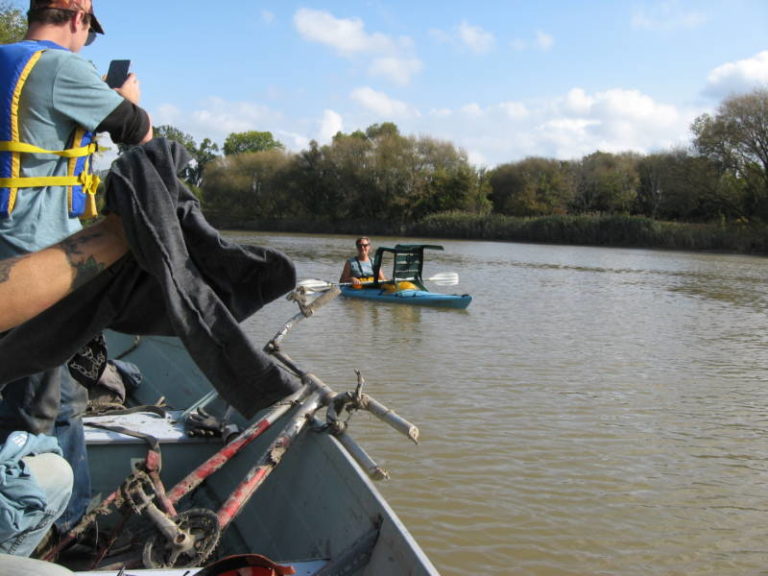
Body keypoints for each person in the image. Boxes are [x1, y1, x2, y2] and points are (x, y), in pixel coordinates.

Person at [0, 0, 152, 554]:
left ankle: (71, 521)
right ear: (79, 20)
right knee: (43, 407)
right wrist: (125, 97)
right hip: (37, 262)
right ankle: (43, 533)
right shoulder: (62, 67)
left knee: (59, 397)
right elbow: (138, 132)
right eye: (87, 31)